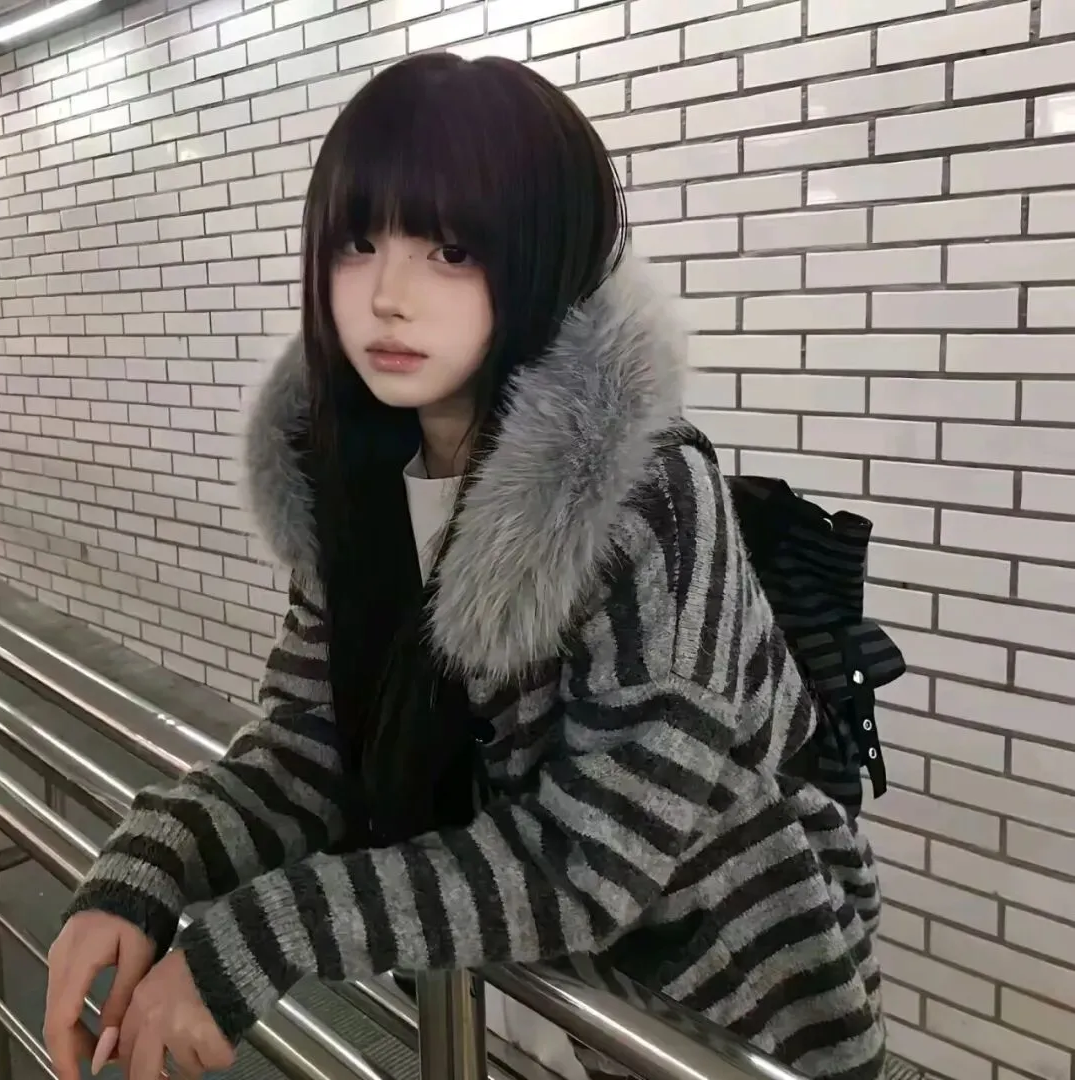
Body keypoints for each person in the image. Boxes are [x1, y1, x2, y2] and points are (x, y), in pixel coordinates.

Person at [43, 52, 884, 1080]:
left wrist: (260, 935)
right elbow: (314, 749)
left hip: (723, 1022)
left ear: (540, 252)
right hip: (518, 1006)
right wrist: (151, 862)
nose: (387, 297)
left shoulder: (644, 495)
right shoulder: (355, 473)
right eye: (357, 242)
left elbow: (589, 862)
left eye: (450, 249)